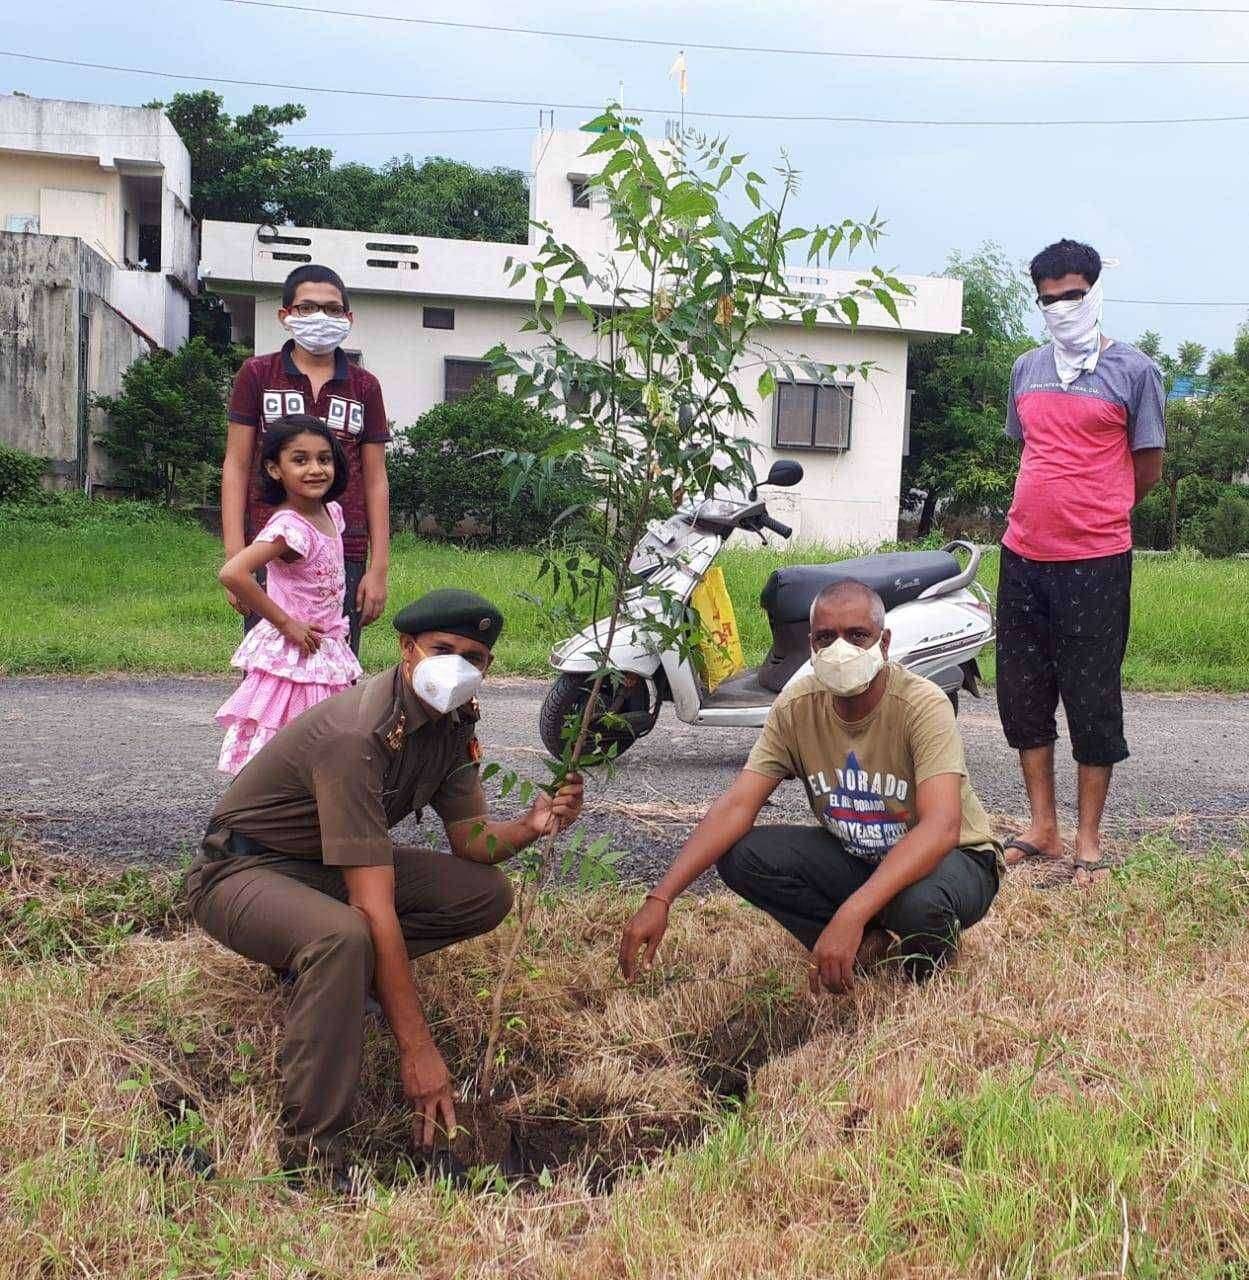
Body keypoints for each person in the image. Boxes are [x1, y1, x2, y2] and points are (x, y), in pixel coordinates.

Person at [185, 589, 584, 1187]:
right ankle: (312, 1155)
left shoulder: (452, 723)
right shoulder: (356, 735)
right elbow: (372, 907)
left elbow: (472, 842)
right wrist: (417, 1050)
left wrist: (532, 824)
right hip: (240, 872)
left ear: (488, 669)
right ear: (405, 648)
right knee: (345, 936)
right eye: (441, 649)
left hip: (320, 869)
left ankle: (329, 979)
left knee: (486, 894)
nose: (457, 666)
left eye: (472, 657)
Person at [619, 580, 1002, 992]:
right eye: (826, 637)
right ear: (812, 646)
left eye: (857, 635)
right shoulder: (796, 705)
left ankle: (922, 970)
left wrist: (852, 911)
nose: (842, 649)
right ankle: (866, 944)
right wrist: (661, 898)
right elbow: (737, 805)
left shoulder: (921, 704)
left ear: (884, 642)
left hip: (956, 858)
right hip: (860, 854)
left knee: (919, 906)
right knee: (742, 855)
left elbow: (941, 827)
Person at [997, 240, 1165, 886]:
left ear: (1093, 291)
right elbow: (1029, 452)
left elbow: (1144, 467)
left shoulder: (1134, 372)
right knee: (1022, 694)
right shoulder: (1025, 369)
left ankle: (1087, 837)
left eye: (1069, 294)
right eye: (1046, 298)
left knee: (1091, 698)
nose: (1059, 307)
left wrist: (1099, 510)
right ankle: (1041, 826)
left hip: (1095, 560)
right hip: (1021, 556)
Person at [221, 263, 391, 657]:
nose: (321, 318)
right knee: (271, 664)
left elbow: (376, 478)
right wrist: (235, 555)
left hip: (341, 550)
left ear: (348, 319)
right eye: (307, 307)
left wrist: (378, 567)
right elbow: (236, 464)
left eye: (333, 310)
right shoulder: (258, 374)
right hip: (269, 547)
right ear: (285, 316)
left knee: (333, 667)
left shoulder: (365, 386)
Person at [214, 415, 362, 775]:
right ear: (274, 468)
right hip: (294, 653)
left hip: (325, 647)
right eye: (300, 460)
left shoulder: (332, 513)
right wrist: (285, 623)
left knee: (328, 739)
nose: (315, 469)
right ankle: (266, 809)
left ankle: (311, 813)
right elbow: (233, 572)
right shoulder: (289, 528)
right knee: (286, 738)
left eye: (324, 459)